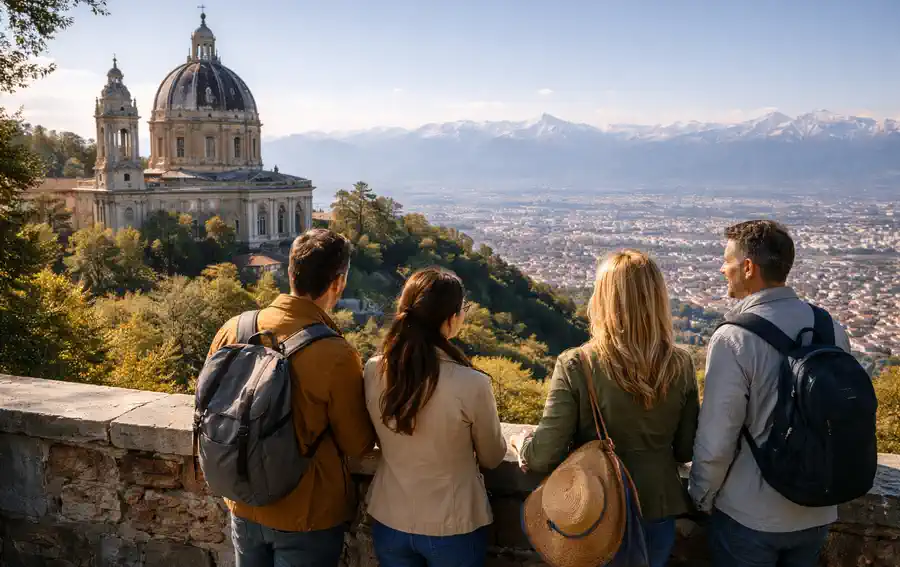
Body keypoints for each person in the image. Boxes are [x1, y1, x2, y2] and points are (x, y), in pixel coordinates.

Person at [512, 249, 699, 567]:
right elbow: (684, 449)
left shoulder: (577, 364)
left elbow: (543, 454)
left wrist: (520, 444)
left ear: (603, 299)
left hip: (594, 509)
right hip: (657, 507)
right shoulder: (680, 364)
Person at [207, 228, 376, 567]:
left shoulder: (235, 329)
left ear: (289, 272)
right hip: (307, 513)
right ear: (338, 283)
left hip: (243, 502)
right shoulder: (335, 354)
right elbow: (357, 443)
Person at [689, 220, 851, 567]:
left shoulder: (734, 338)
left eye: (726, 260)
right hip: (817, 509)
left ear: (748, 267)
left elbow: (717, 437)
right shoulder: (830, 328)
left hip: (750, 516)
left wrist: (700, 497)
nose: (722, 268)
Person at [364, 267, 508, 567]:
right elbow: (493, 457)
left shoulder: (373, 371)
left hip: (390, 517)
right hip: (453, 524)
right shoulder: (471, 384)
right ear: (452, 319)